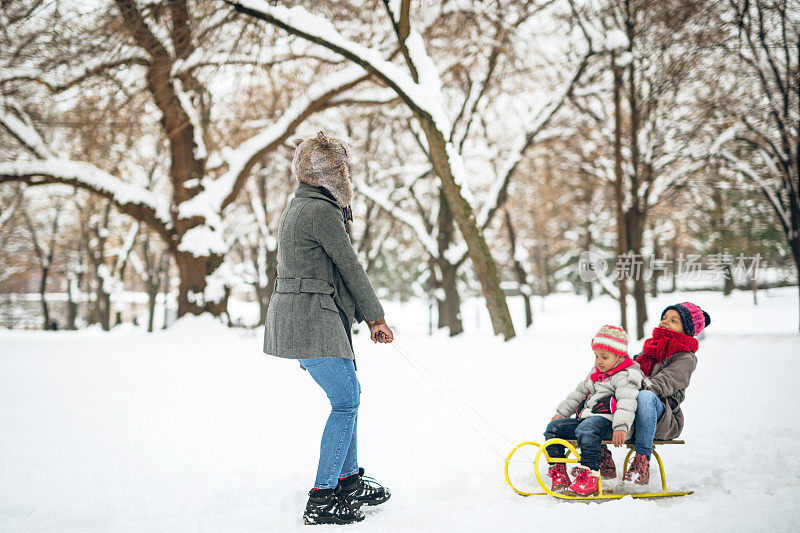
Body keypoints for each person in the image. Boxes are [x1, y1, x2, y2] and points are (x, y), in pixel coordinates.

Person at [263, 131, 394, 525]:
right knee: (346, 400)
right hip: (311, 317)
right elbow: (350, 266)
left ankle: (349, 480)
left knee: (348, 395)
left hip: (313, 315)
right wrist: (375, 317)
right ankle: (322, 497)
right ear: (334, 174)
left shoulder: (301, 204)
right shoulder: (320, 210)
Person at [543, 325, 643, 496]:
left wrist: (621, 427)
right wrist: (562, 413)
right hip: (588, 421)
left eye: (604, 357)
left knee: (587, 427)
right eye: (596, 356)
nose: (599, 361)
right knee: (554, 428)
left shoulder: (626, 375)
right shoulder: (595, 373)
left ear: (619, 356)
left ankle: (589, 476)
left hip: (611, 424)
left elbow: (627, 402)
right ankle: (559, 473)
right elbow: (578, 394)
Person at [619, 302, 710, 485]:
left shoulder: (685, 358)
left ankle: (642, 461)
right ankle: (599, 460)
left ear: (686, 330)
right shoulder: (650, 350)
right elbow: (628, 370)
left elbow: (661, 384)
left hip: (663, 417)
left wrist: (630, 389)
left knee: (646, 396)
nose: (665, 322)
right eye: (664, 318)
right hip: (632, 412)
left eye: (673, 320)